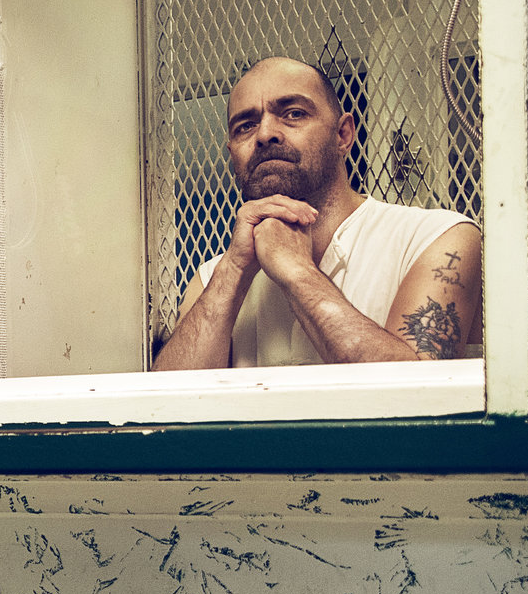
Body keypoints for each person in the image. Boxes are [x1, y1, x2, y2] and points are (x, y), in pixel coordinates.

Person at [154, 57, 482, 370]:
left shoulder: (436, 238)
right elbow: (162, 409)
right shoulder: (214, 277)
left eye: (293, 114)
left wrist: (298, 272)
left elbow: (419, 398)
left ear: (343, 135)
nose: (265, 133)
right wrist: (235, 269)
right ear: (232, 153)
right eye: (246, 125)